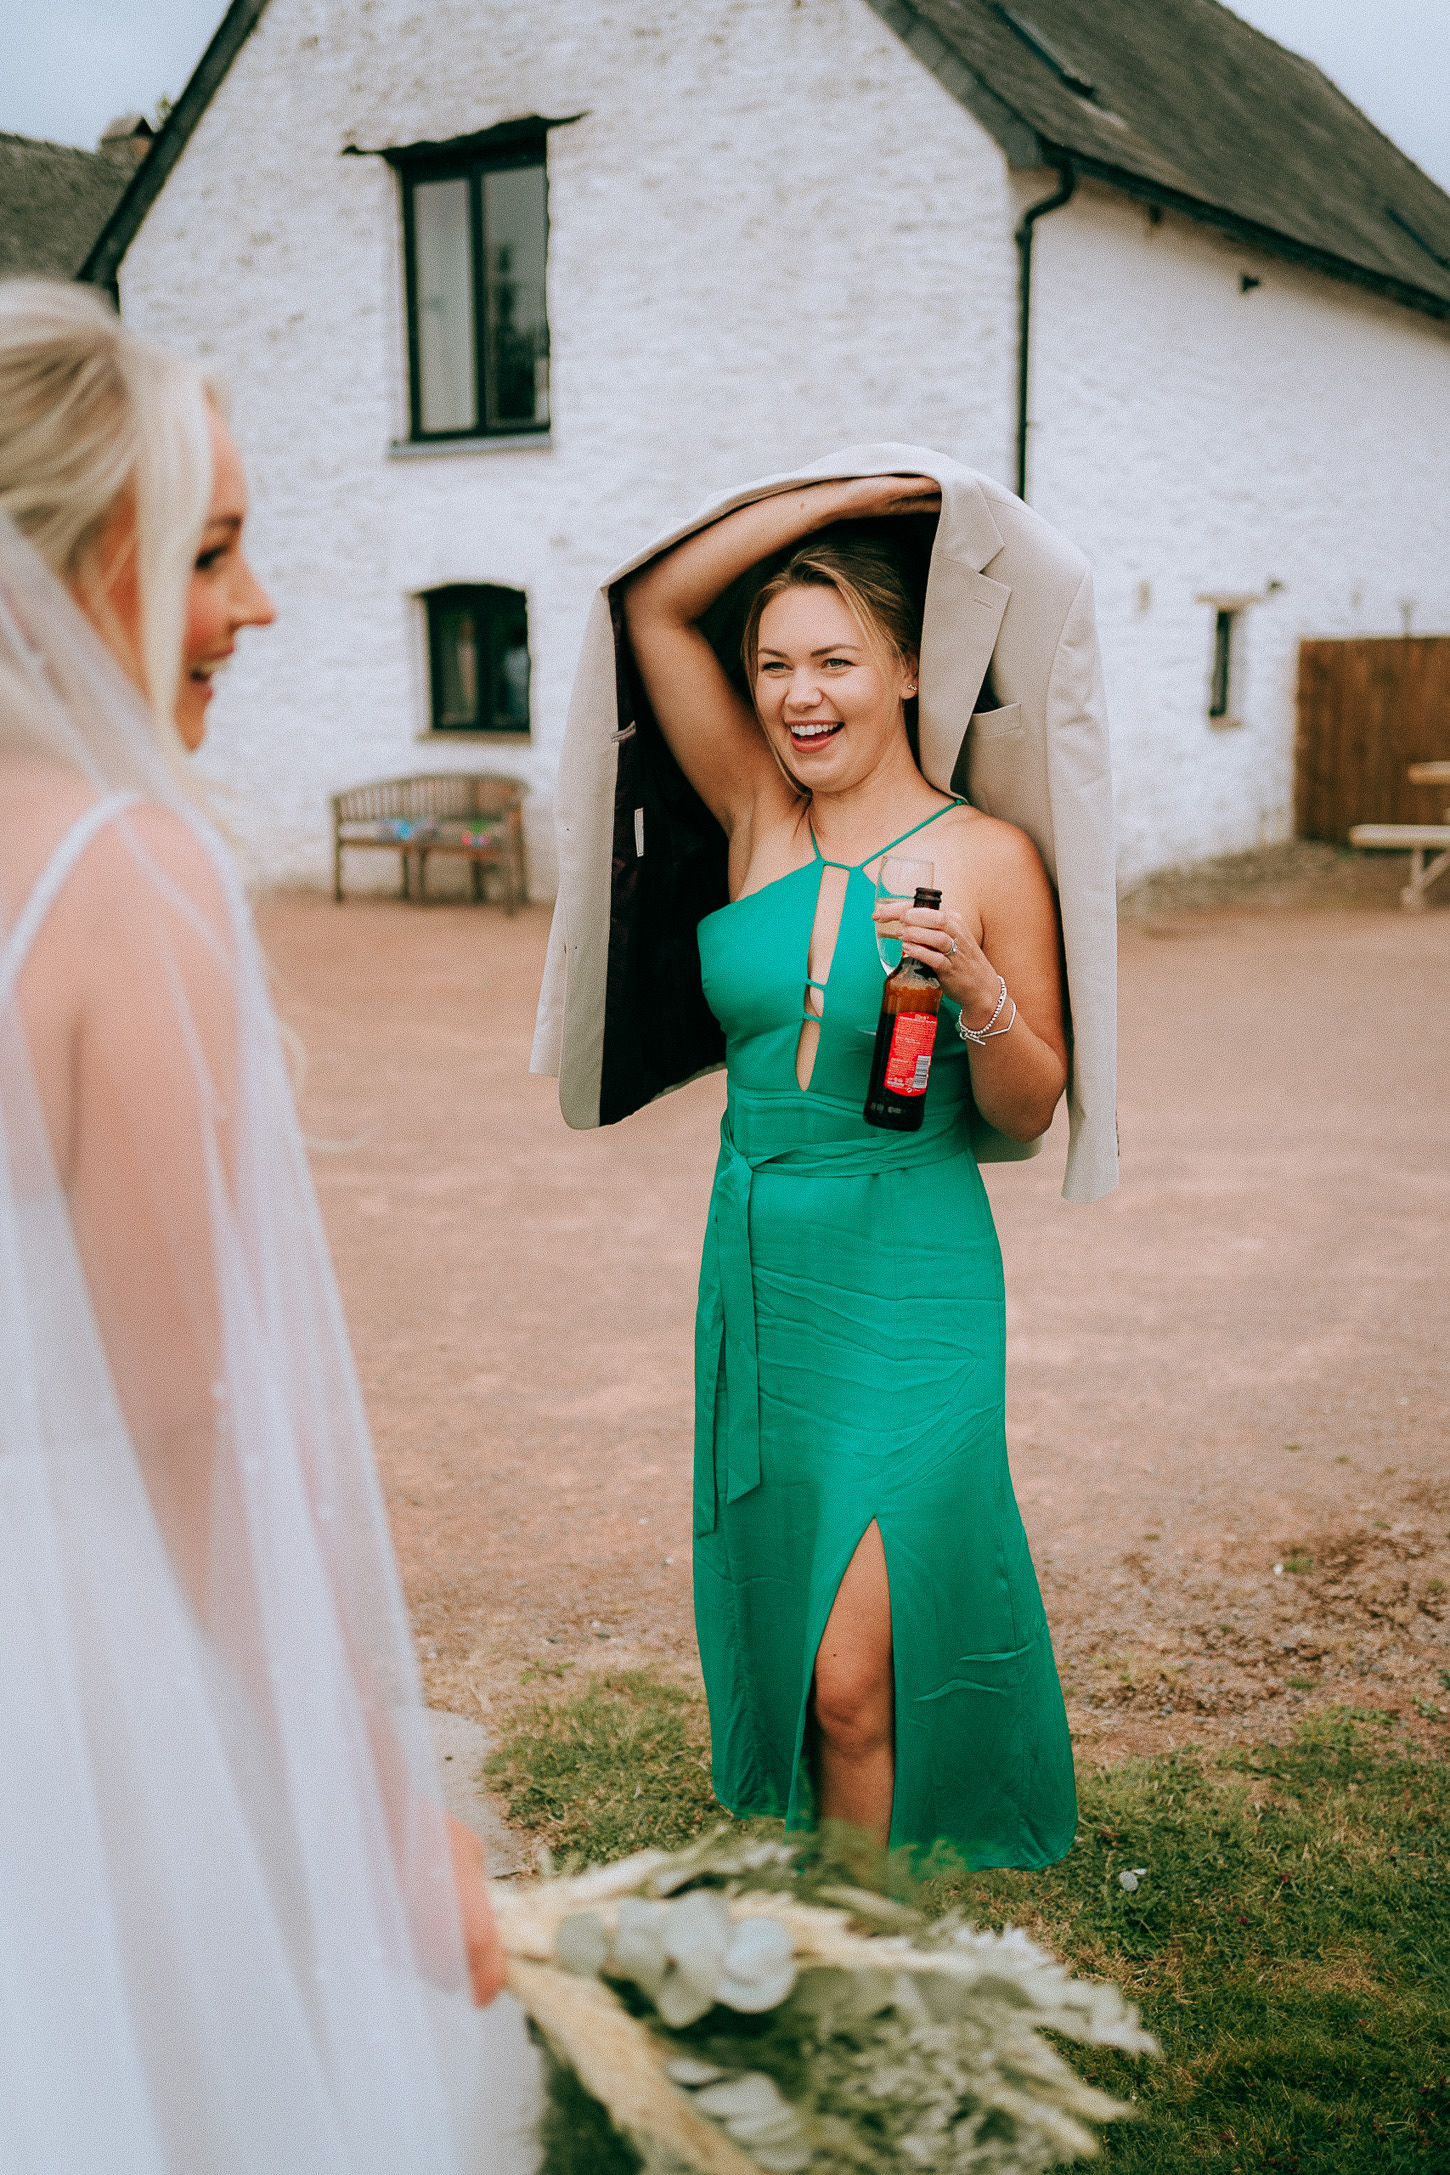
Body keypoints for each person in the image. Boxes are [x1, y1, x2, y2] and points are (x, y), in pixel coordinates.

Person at [0, 281, 516, 2170]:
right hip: (72, 1680)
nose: (259, 607)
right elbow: (193, 1428)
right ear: (77, 562)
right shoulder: (112, 875)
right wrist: (378, 1819)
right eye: (214, 553)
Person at [620, 476, 1080, 1859]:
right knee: (791, 1625)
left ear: (902, 669)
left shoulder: (988, 856)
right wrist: (861, 493)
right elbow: (652, 605)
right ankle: (843, 1964)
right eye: (772, 666)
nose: (797, 696)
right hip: (761, 1260)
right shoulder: (756, 813)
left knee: (851, 1675)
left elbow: (1033, 1106)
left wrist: (980, 989)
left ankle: (864, 1986)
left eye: (832, 660)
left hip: (911, 1269)